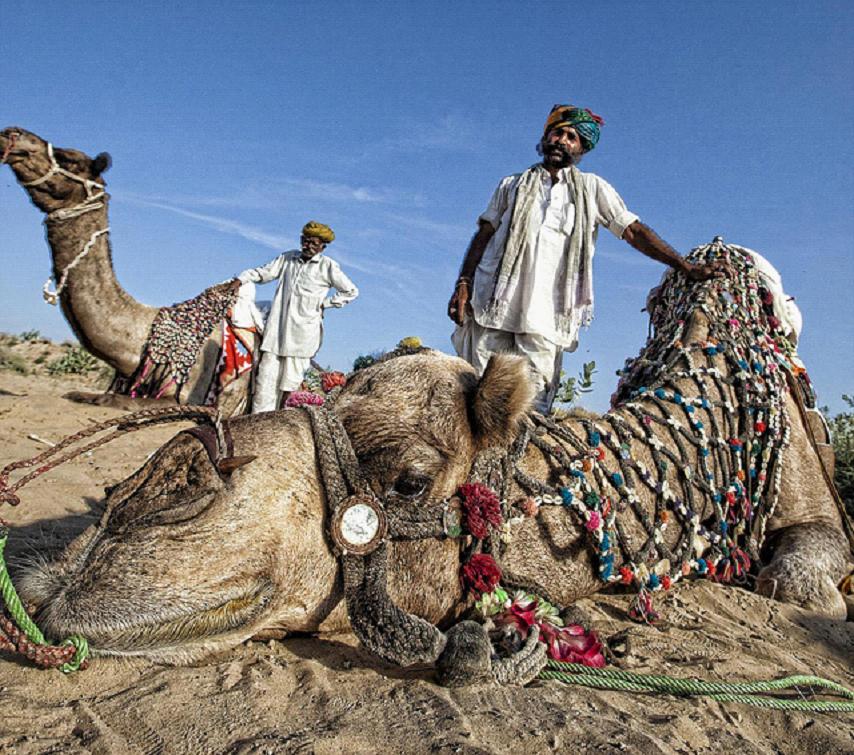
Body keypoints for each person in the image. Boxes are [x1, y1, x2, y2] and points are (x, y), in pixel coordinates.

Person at [448, 103, 723, 412]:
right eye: (557, 133)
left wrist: (684, 266)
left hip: (545, 317)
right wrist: (464, 282)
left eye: (572, 137)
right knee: (475, 399)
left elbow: (632, 231)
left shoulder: (592, 189)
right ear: (546, 137)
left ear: (581, 148)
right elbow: (484, 234)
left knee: (529, 408)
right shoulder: (511, 185)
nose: (562, 141)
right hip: (492, 308)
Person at [231, 221, 358, 412]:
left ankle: (280, 426)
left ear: (323, 246)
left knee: (289, 387)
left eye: (314, 243)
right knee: (265, 382)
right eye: (305, 241)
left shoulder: (328, 266)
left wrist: (325, 304)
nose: (308, 246)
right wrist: (240, 280)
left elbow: (351, 291)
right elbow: (263, 273)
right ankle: (257, 424)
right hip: (276, 333)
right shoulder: (288, 259)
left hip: (302, 336)